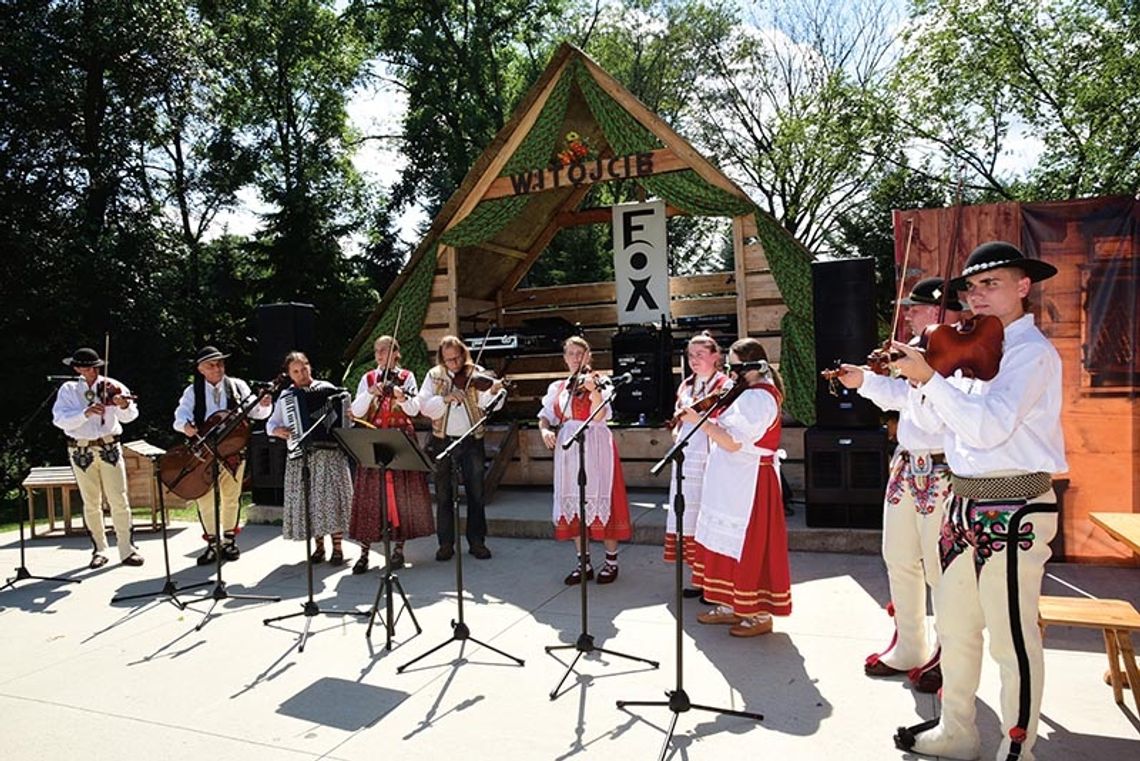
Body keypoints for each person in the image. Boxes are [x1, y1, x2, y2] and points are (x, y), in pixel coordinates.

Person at [889, 242, 1066, 761]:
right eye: (971, 286)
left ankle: (1018, 746)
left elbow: (989, 429)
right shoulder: (971, 349)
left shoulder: (1030, 353)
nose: (977, 295)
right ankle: (956, 730)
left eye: (992, 283)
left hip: (1015, 506)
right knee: (956, 628)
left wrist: (931, 378)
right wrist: (922, 381)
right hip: (962, 502)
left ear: (1023, 286)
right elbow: (941, 425)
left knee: (1011, 638)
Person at [837, 277, 962, 693]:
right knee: (899, 558)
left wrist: (920, 377)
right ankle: (910, 644)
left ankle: (951, 651)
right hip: (907, 467)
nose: (906, 313)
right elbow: (901, 400)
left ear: (941, 313)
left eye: (916, 307)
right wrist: (864, 381)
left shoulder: (960, 359)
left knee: (944, 569)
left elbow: (936, 417)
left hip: (943, 471)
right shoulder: (919, 355)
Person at [688, 337, 791, 637]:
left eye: (734, 366)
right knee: (727, 541)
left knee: (749, 543)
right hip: (734, 481)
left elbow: (733, 442)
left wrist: (701, 423)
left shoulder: (759, 398)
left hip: (751, 482)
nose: (730, 372)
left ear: (751, 367)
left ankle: (758, 614)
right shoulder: (745, 393)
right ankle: (732, 605)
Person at [537, 336, 632, 584]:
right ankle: (584, 563)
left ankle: (611, 562)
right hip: (568, 444)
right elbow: (545, 415)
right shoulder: (557, 387)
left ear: (589, 356)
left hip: (596, 444)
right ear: (564, 357)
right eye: (571, 353)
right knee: (574, 500)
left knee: (602, 497)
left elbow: (601, 416)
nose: (576, 358)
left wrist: (594, 392)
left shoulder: (601, 382)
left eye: (581, 353)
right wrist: (545, 430)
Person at [173, 345, 272, 565]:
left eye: (220, 363)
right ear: (200, 369)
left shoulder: (237, 386)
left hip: (233, 452)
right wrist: (186, 427)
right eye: (211, 364)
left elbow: (257, 412)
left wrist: (264, 404)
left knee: (231, 497)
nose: (217, 368)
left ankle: (229, 540)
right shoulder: (193, 391)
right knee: (204, 499)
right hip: (204, 454)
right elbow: (180, 417)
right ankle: (212, 543)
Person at [347, 336, 434, 574]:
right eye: (377, 351)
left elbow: (414, 410)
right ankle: (364, 553)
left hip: (400, 439)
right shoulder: (368, 378)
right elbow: (355, 411)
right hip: (373, 439)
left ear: (396, 353)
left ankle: (398, 550)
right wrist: (370, 394)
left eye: (384, 351)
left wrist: (401, 397)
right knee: (369, 496)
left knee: (401, 494)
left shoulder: (406, 377)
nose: (379, 355)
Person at [52, 347, 145, 568]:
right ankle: (100, 549)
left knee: (118, 498)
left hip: (109, 446)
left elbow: (130, 416)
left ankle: (127, 549)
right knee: (91, 501)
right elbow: (59, 419)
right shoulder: (69, 389)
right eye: (84, 368)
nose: (90, 372)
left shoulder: (113, 385)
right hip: (81, 449)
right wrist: (85, 414)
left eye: (93, 367)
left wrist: (123, 405)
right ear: (76, 368)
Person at [416, 335, 504, 561]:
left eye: (456, 359)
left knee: (476, 492)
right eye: (448, 360)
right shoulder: (434, 376)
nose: (454, 365)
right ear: (442, 359)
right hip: (442, 440)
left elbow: (487, 405)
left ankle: (477, 542)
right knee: (444, 493)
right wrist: (445, 399)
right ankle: (445, 544)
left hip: (472, 440)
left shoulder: (476, 372)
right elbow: (424, 406)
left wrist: (494, 393)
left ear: (463, 354)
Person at [267, 352, 353, 564]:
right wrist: (278, 430)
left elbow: (345, 423)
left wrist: (347, 417)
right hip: (302, 456)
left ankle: (338, 548)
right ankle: (319, 547)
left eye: (304, 369)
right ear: (289, 374)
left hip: (330, 455)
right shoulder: (287, 397)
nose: (301, 374)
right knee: (310, 502)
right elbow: (271, 424)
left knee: (332, 501)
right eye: (295, 371)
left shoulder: (330, 391)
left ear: (310, 367)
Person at [665, 332, 732, 597]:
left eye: (700, 354)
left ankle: (714, 582)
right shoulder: (685, 385)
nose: (694, 360)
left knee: (709, 515)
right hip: (687, 456)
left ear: (716, 356)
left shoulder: (725, 385)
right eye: (691, 355)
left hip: (711, 454)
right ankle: (698, 578)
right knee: (689, 516)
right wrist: (676, 431)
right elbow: (679, 417)